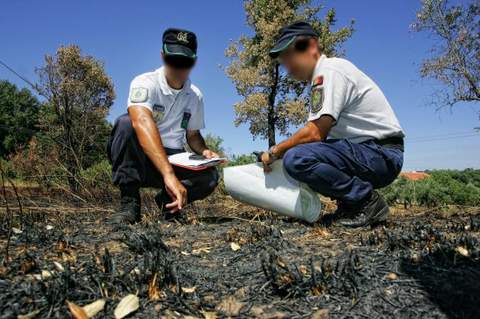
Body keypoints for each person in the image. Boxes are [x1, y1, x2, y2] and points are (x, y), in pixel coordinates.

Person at [262, 22, 405, 227]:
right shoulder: (325, 75)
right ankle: (352, 205)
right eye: (283, 59)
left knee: (297, 158)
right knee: (300, 154)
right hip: (373, 153)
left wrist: (276, 152)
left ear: (311, 46)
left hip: (380, 154)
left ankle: (365, 201)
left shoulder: (328, 72)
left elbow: (314, 134)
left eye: (289, 55)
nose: (287, 65)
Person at [107, 28, 219, 224]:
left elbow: (193, 135)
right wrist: (168, 174)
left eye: (185, 62)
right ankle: (129, 203)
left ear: (194, 62)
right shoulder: (144, 82)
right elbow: (141, 121)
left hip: (176, 156)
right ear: (162, 56)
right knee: (125, 124)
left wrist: (205, 150)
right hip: (143, 159)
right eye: (172, 60)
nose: (178, 68)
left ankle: (167, 204)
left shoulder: (195, 96)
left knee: (210, 177)